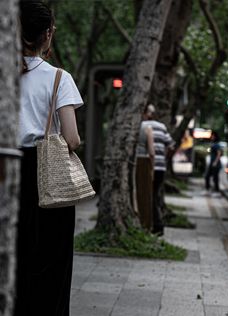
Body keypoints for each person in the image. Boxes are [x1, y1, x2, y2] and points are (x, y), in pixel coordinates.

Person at [15, 2, 83, 315]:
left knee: (13, 253)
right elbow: (71, 138)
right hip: (46, 173)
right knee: (51, 259)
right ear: (48, 35)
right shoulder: (59, 78)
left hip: (7, 169)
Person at [137, 104, 175, 235]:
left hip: (148, 165)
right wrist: (164, 158)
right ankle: (157, 223)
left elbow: (150, 151)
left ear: (146, 113)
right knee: (155, 195)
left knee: (148, 196)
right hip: (161, 167)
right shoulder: (162, 127)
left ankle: (156, 225)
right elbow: (171, 146)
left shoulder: (142, 126)